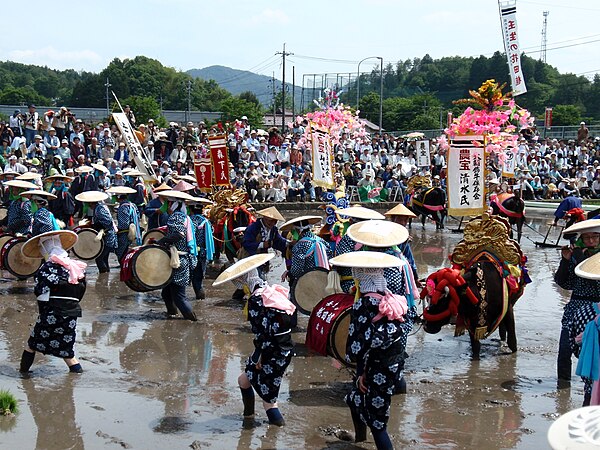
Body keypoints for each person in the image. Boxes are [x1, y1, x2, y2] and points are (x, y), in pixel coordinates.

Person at [329, 250, 413, 449]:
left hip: (376, 369)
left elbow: (356, 347)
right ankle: (360, 440)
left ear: (361, 276)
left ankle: (374, 440)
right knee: (354, 398)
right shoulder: (393, 298)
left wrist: (360, 372)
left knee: (378, 424)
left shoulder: (364, 304)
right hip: (395, 364)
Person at [213, 253, 295, 427]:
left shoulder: (256, 300)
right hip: (283, 350)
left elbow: (264, 333)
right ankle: (248, 417)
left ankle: (276, 428)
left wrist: (260, 356)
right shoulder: (269, 289)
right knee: (244, 380)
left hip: (271, 352)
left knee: (269, 400)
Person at [19, 230, 87, 374]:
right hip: (72, 313)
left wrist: (43, 315)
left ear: (45, 249)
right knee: (67, 350)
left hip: (52, 312)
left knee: (32, 344)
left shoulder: (47, 268)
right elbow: (80, 291)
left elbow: (41, 293)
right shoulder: (74, 266)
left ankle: (22, 375)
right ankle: (77, 375)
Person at [554, 219, 600, 403]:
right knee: (565, 348)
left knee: (596, 351)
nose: (590, 241)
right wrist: (566, 262)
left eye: (594, 237)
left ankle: (591, 388)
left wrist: (584, 260)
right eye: (586, 237)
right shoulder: (574, 255)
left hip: (598, 308)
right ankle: (562, 389)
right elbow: (564, 283)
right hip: (577, 306)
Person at [155, 190, 198, 321]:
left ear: (174, 204)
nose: (167, 207)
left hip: (178, 261)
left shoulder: (176, 217)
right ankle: (172, 313)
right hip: (181, 259)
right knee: (167, 293)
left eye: (168, 204)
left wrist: (161, 241)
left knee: (179, 296)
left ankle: (193, 321)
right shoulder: (185, 217)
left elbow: (179, 234)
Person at [75, 191, 117, 273]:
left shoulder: (99, 209)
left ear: (91, 203)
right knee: (104, 258)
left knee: (99, 258)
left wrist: (96, 226)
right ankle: (106, 273)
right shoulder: (98, 208)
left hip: (108, 236)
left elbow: (108, 222)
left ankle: (103, 274)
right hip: (107, 236)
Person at [384, 203, 419, 279]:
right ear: (393, 219)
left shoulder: (404, 237)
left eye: (405, 220)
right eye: (400, 220)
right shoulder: (385, 233)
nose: (403, 223)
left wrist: (415, 277)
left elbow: (409, 258)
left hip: (399, 270)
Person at [108, 186, 141, 263]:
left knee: (120, 253)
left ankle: (123, 270)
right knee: (128, 252)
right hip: (134, 232)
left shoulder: (123, 207)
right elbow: (138, 216)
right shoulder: (132, 205)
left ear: (119, 197)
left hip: (125, 234)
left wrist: (117, 229)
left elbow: (124, 224)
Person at [189, 198, 214, 300]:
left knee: (194, 277)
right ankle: (200, 298)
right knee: (199, 277)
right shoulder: (206, 222)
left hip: (192, 253)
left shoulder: (190, 221)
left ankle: (199, 298)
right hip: (203, 252)